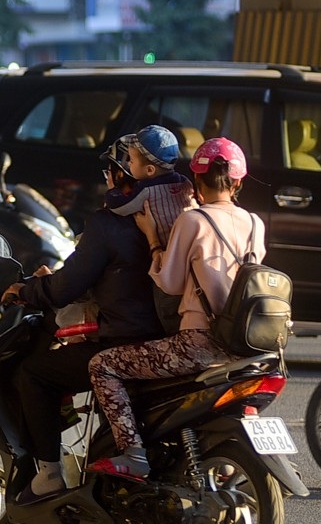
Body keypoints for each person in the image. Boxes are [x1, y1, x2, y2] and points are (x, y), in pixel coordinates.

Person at [0, 135, 166, 502]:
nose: (106, 177)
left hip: (123, 339)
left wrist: (27, 290)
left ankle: (48, 474)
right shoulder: (178, 215)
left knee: (35, 373)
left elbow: (64, 288)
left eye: (111, 169)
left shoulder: (110, 224)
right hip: (169, 339)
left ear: (124, 173)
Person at [87, 137, 266, 477]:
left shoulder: (193, 220)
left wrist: (153, 239)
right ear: (238, 181)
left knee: (103, 365)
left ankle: (133, 453)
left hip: (199, 344)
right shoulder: (255, 223)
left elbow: (168, 282)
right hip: (244, 347)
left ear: (196, 180)